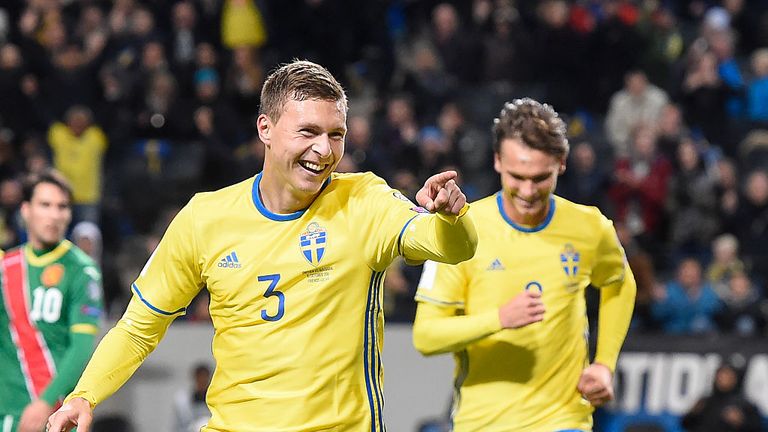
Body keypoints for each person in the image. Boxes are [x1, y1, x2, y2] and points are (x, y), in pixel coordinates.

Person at [47, 60, 478, 432]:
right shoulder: (205, 218)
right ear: (265, 129)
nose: (324, 150)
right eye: (308, 131)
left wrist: (451, 216)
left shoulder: (363, 199)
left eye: (336, 134)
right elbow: (139, 327)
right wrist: (85, 395)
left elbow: (447, 246)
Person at [412, 98, 636, 431]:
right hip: (482, 422)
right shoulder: (462, 230)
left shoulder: (590, 227)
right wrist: (500, 319)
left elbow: (619, 283)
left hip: (565, 419)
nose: (528, 191)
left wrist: (604, 364)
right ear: (498, 161)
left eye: (540, 177)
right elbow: (427, 336)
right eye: (517, 176)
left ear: (561, 164)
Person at [0, 170, 103, 432]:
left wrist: (46, 402)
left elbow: (81, 348)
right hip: (6, 409)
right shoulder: (7, 266)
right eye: (45, 205)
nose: (55, 215)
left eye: (62, 207)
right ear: (25, 210)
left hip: (53, 414)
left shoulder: (82, 269)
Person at [681, 359, 763, 432]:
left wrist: (741, 422)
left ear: (735, 379)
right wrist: (693, 413)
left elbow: (757, 428)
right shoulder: (705, 401)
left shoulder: (745, 404)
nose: (723, 379)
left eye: (727, 376)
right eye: (721, 376)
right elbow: (686, 425)